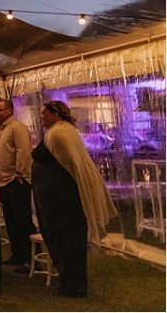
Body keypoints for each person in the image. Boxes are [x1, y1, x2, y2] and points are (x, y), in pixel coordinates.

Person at [32, 101, 118, 298]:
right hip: (55, 197)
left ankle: (73, 284)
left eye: (44, 113)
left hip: (61, 200)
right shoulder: (59, 130)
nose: (41, 117)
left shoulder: (59, 134)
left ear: (56, 114)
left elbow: (73, 165)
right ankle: (70, 280)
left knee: (66, 240)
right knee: (64, 240)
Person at [0, 99, 34, 270]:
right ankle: (17, 253)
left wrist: (19, 173)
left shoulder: (17, 128)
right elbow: (1, 149)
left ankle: (29, 256)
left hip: (16, 180)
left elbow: (23, 151)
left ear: (9, 110)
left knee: (22, 219)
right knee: (10, 219)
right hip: (3, 180)